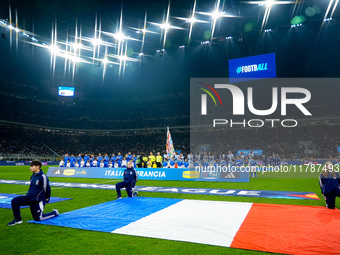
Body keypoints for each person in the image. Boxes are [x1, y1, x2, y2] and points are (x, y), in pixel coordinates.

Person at [7, 161, 59, 226]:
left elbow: (47, 188)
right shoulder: (33, 176)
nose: (30, 168)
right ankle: (18, 219)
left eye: (32, 166)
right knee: (15, 201)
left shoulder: (43, 176)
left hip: (37, 201)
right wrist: (27, 194)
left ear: (37, 167)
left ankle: (55, 213)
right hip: (29, 198)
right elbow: (32, 187)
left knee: (38, 218)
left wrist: (47, 197)